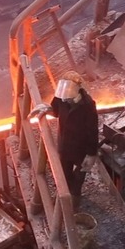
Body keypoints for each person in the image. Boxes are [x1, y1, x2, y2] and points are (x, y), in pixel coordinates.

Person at [47, 71, 99, 205]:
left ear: (77, 90)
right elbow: (55, 111)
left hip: (80, 148)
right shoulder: (61, 97)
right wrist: (45, 108)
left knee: (79, 177)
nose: (65, 99)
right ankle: (63, 201)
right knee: (64, 175)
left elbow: (92, 130)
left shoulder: (87, 105)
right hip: (65, 145)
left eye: (67, 97)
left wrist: (91, 154)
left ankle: (74, 201)